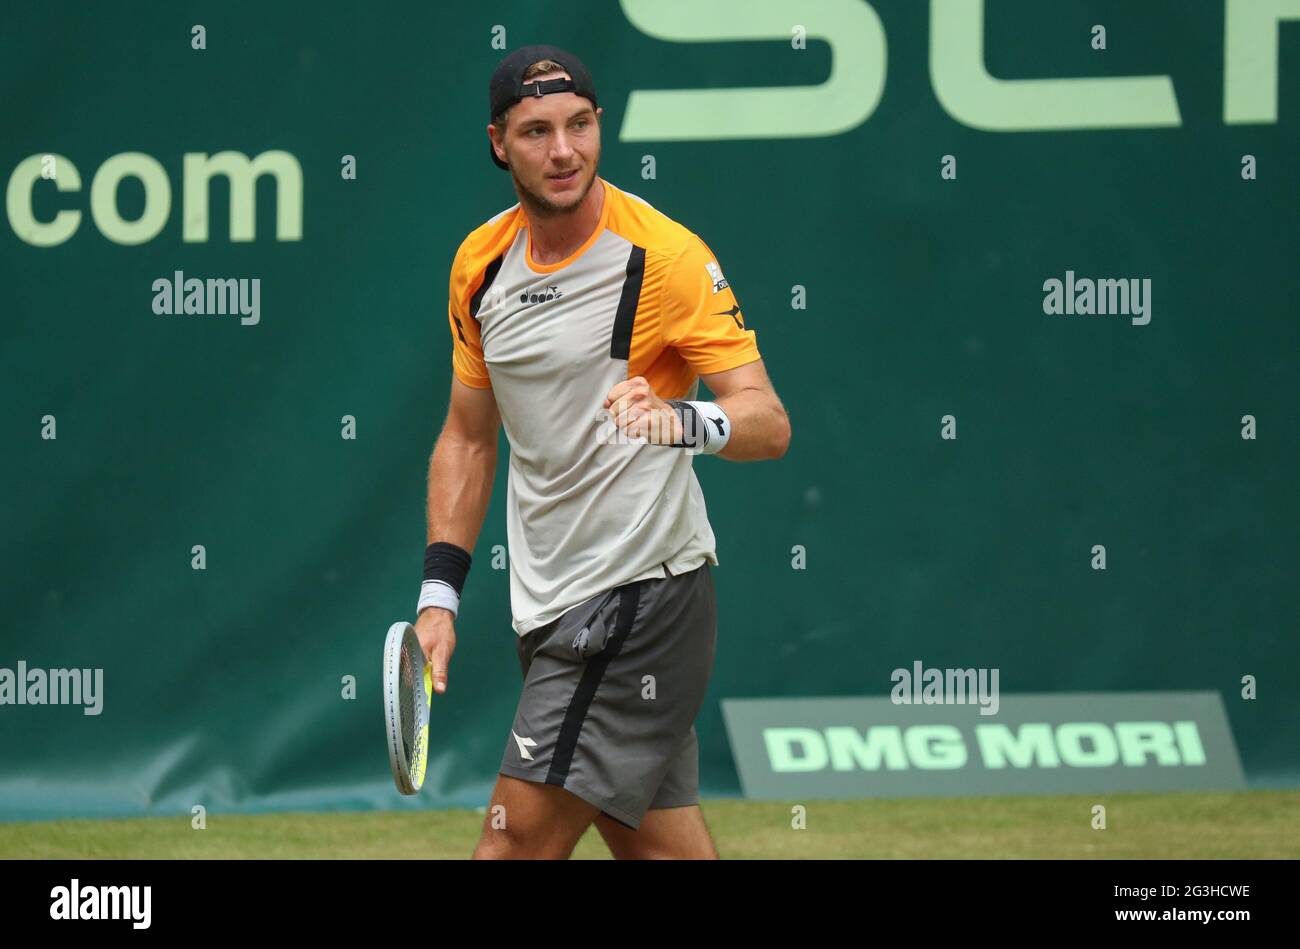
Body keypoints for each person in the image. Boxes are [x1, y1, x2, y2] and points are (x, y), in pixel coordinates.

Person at [416, 44, 791, 859]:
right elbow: (469, 435)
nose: (563, 151)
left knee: (508, 850)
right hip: (549, 602)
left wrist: (686, 420)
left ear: (600, 128)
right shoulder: (479, 265)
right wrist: (439, 596)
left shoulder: (668, 257)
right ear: (497, 143)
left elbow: (768, 422)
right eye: (537, 131)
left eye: (580, 126)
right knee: (660, 852)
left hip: (639, 602)